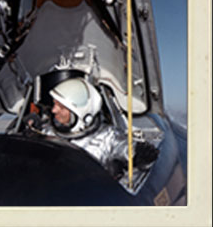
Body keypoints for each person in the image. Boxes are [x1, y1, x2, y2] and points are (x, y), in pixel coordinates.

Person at [27, 77, 160, 182]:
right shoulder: (46, 131)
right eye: (54, 104)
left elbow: (124, 147)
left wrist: (139, 154)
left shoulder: (107, 137)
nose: (54, 110)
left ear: (80, 113)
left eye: (61, 107)